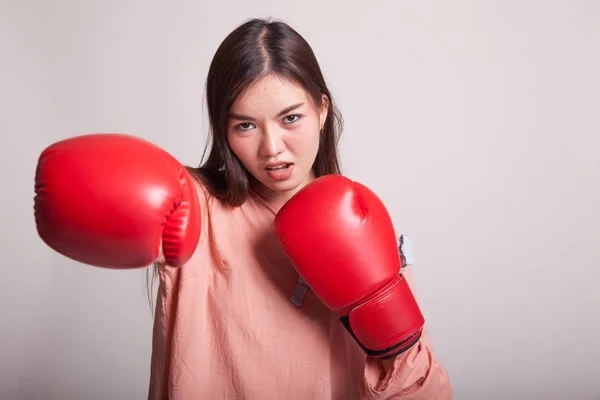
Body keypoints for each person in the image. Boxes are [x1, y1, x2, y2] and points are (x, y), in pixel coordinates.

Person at [33, 17, 453, 399]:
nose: (272, 148)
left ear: (321, 110)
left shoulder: (359, 218)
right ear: (224, 129)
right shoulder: (192, 207)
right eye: (246, 125)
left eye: (290, 118)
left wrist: (382, 316)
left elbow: (424, 391)